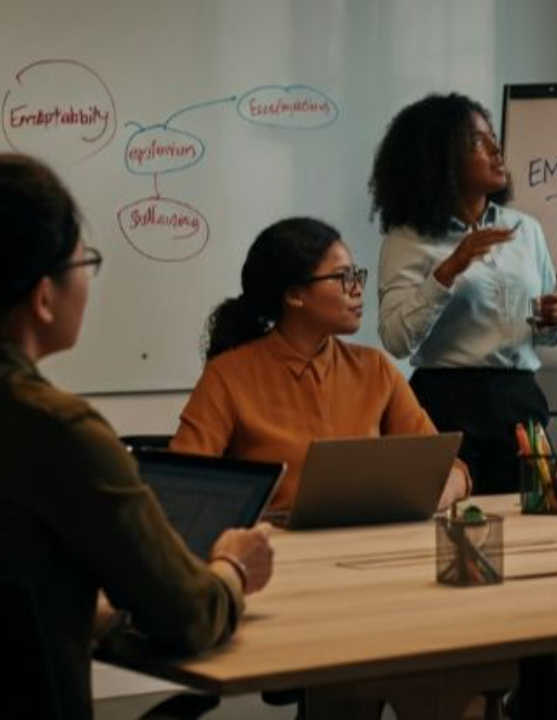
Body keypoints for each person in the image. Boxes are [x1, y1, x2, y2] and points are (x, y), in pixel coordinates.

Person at [0, 153, 274, 719]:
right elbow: (189, 615)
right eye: (85, 261)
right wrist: (233, 568)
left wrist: (81, 612)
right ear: (43, 295)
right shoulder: (56, 430)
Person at [170, 217, 470, 515]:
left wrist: (441, 491)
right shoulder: (227, 375)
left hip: (368, 542)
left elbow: (450, 468)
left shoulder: (375, 368)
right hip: (275, 549)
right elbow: (181, 483)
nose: (356, 289)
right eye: (342, 277)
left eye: (356, 275)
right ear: (295, 295)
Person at [370, 93, 557, 497]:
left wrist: (555, 319)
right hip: (447, 403)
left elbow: (549, 334)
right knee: (452, 530)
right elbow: (395, 339)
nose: (497, 150)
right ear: (439, 160)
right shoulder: (407, 238)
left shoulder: (525, 228)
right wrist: (449, 269)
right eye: (478, 142)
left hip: (520, 399)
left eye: (493, 136)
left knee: (537, 524)